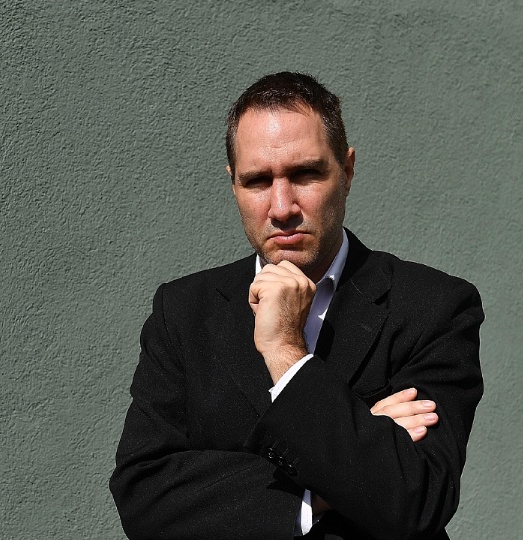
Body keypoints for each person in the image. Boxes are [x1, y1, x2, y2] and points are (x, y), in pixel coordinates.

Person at [109, 72, 484, 540]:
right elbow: (144, 497)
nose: (282, 207)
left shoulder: (432, 306)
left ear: (347, 172)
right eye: (257, 181)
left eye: (305, 174)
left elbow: (418, 496)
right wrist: (334, 475)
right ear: (233, 185)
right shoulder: (184, 312)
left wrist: (285, 352)